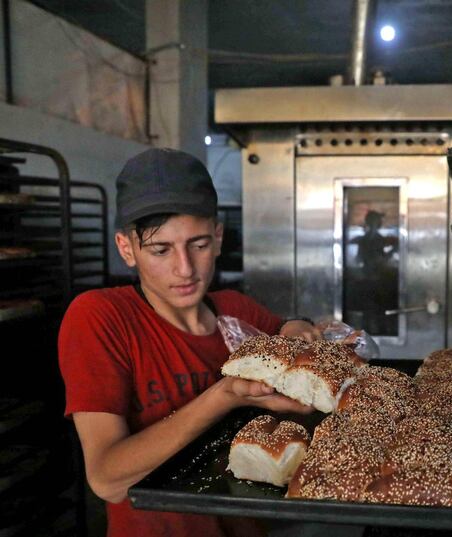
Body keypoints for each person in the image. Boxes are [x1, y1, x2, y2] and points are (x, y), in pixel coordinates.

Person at [58, 148, 320, 537]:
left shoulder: (235, 310)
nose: (185, 268)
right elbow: (107, 480)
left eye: (197, 244)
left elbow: (286, 329)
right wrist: (226, 394)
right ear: (126, 248)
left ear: (217, 237)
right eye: (160, 250)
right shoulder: (101, 318)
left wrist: (298, 328)